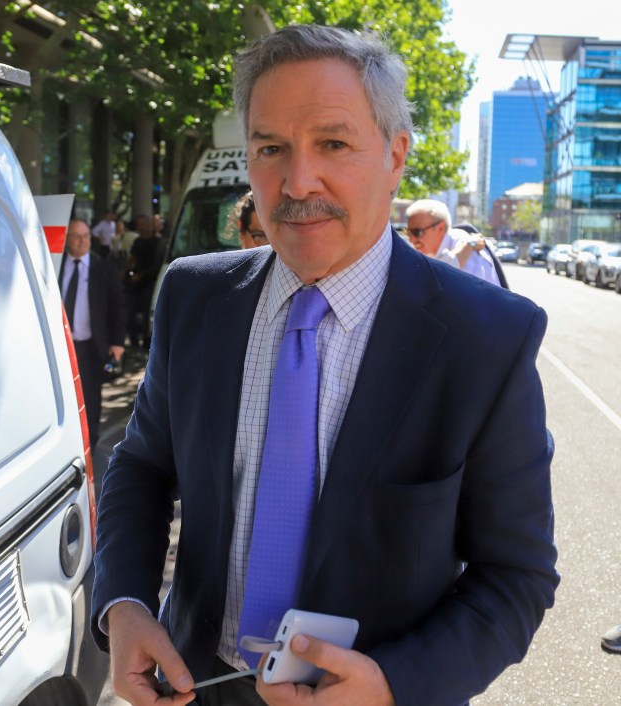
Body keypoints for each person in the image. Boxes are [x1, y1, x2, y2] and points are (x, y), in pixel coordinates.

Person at [91, 24, 558, 706]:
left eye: (333, 144)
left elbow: (515, 575)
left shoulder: (488, 337)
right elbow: (142, 466)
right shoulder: (193, 297)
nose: (297, 181)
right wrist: (125, 602)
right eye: (270, 148)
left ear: (395, 155)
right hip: (193, 685)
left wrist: (394, 685)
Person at [59, 218, 126, 449]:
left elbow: (118, 306)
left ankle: (88, 445)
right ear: (67, 240)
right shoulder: (56, 266)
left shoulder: (103, 268)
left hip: (90, 346)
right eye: (77, 236)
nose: (83, 241)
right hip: (60, 347)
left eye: (86, 236)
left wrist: (117, 342)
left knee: (89, 399)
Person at [405, 199, 501, 286]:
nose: (411, 240)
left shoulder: (469, 257)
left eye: (417, 232)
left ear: (440, 228)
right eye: (408, 232)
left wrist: (469, 245)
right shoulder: (465, 247)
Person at [124, 214, 165, 349]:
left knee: (148, 313)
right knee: (131, 311)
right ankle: (134, 341)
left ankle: (147, 342)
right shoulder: (138, 241)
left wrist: (140, 275)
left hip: (149, 281)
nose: (141, 227)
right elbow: (132, 258)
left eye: (143, 224)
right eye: (139, 224)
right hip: (135, 282)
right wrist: (127, 271)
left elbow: (156, 264)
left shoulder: (158, 242)